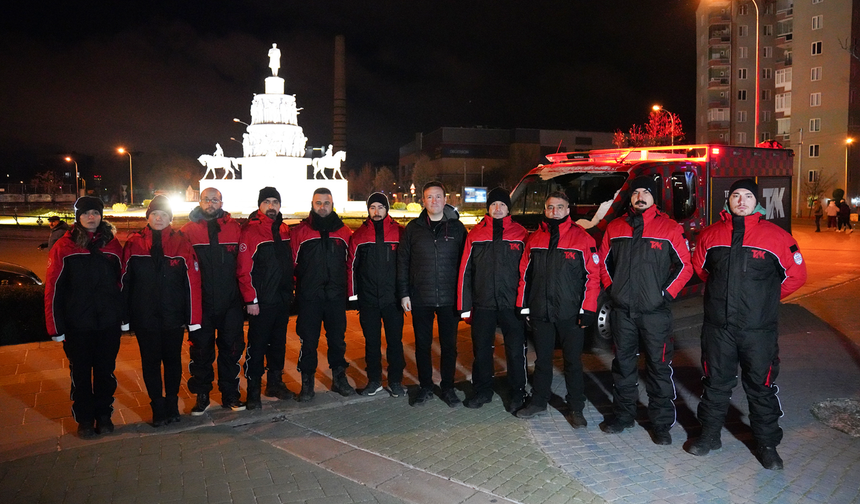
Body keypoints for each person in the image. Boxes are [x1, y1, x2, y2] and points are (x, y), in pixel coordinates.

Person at [688, 179, 807, 470]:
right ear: (728, 201)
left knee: (761, 387)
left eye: (748, 196)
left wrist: (766, 298)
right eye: (736, 196)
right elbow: (701, 269)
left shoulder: (777, 237)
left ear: (757, 202)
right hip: (719, 329)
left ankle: (767, 445)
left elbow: (797, 275)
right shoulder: (711, 235)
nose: (742, 201)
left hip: (758, 331)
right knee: (715, 384)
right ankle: (709, 436)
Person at [597, 177, 693, 445]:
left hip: (655, 314)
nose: (640, 196)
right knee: (623, 367)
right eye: (636, 192)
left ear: (655, 197)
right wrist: (613, 289)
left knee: (658, 369)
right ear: (630, 198)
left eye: (646, 192)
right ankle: (624, 416)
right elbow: (602, 263)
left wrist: (665, 294)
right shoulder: (615, 228)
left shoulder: (669, 228)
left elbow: (686, 266)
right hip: (623, 313)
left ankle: (661, 424)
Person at [516, 191, 599, 423]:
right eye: (551, 207)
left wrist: (588, 308)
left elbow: (593, 276)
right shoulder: (534, 239)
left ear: (568, 210)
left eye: (560, 207)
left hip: (570, 313)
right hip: (541, 311)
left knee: (573, 362)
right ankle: (538, 401)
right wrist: (522, 306)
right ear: (545, 210)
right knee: (542, 361)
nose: (555, 211)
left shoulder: (582, 238)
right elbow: (524, 274)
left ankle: (576, 408)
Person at [44, 196, 123, 439]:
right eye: (86, 212)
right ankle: (85, 420)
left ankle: (104, 416)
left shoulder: (112, 245)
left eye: (96, 213)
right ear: (78, 216)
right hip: (78, 325)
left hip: (108, 324)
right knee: (80, 374)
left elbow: (123, 283)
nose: (92, 217)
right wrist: (55, 327)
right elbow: (53, 288)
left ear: (101, 216)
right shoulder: (64, 246)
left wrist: (123, 316)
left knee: (105, 372)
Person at [121, 196, 202, 427]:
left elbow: (192, 282)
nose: (159, 218)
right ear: (148, 217)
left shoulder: (181, 242)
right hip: (145, 317)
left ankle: (172, 404)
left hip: (172, 316)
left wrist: (192, 318)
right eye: (155, 214)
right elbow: (125, 281)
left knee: (173, 361)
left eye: (164, 215)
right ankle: (157, 405)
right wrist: (125, 317)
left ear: (170, 218)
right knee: (150, 362)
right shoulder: (134, 243)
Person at [457, 187, 528, 411]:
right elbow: (465, 271)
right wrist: (464, 305)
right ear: (488, 208)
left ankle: (517, 392)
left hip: (512, 304)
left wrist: (526, 304)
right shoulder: (475, 234)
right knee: (482, 350)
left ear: (508, 208)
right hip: (483, 303)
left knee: (516, 350)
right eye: (494, 205)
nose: (498, 209)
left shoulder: (521, 234)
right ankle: (482, 390)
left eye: (502, 205)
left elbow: (529, 272)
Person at [397, 181, 467, 407]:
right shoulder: (413, 228)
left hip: (449, 298)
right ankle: (426, 386)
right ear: (423, 201)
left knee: (449, 346)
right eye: (429, 197)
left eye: (438, 197)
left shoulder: (457, 228)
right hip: (421, 298)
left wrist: (465, 296)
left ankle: (448, 387)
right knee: (422, 345)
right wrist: (404, 293)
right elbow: (403, 262)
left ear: (446, 200)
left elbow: (467, 265)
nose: (434, 201)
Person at [180, 188, 247, 414]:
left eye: (215, 200)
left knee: (231, 350)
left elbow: (243, 265)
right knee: (201, 352)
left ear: (221, 202)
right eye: (206, 200)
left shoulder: (235, 229)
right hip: (202, 305)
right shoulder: (187, 231)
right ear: (200, 202)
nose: (210, 203)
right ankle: (202, 396)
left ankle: (230, 395)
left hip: (230, 303)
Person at [291, 187, 355, 401]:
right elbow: (291, 264)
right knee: (308, 341)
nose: (322, 207)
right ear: (312, 204)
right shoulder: (300, 232)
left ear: (332, 204)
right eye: (318, 203)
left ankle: (339, 378)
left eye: (326, 203)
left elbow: (350, 265)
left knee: (337, 340)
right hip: (310, 298)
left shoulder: (344, 231)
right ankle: (307, 383)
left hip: (336, 297)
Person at [237, 187, 295, 409]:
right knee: (257, 346)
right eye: (267, 202)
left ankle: (275, 383)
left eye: (275, 202)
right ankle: (253, 390)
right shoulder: (251, 232)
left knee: (278, 344)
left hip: (281, 300)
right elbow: (244, 269)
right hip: (261, 302)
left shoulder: (284, 230)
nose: (272, 206)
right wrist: (251, 300)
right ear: (260, 205)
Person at [347, 192, 406, 397]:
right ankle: (374, 380)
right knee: (371, 342)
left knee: (395, 342)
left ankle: (396, 381)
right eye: (373, 207)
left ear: (387, 209)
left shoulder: (399, 232)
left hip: (393, 300)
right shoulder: (359, 236)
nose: (376, 211)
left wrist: (405, 293)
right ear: (368, 210)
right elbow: (351, 267)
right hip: (369, 300)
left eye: (381, 207)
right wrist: (354, 296)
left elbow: (406, 264)